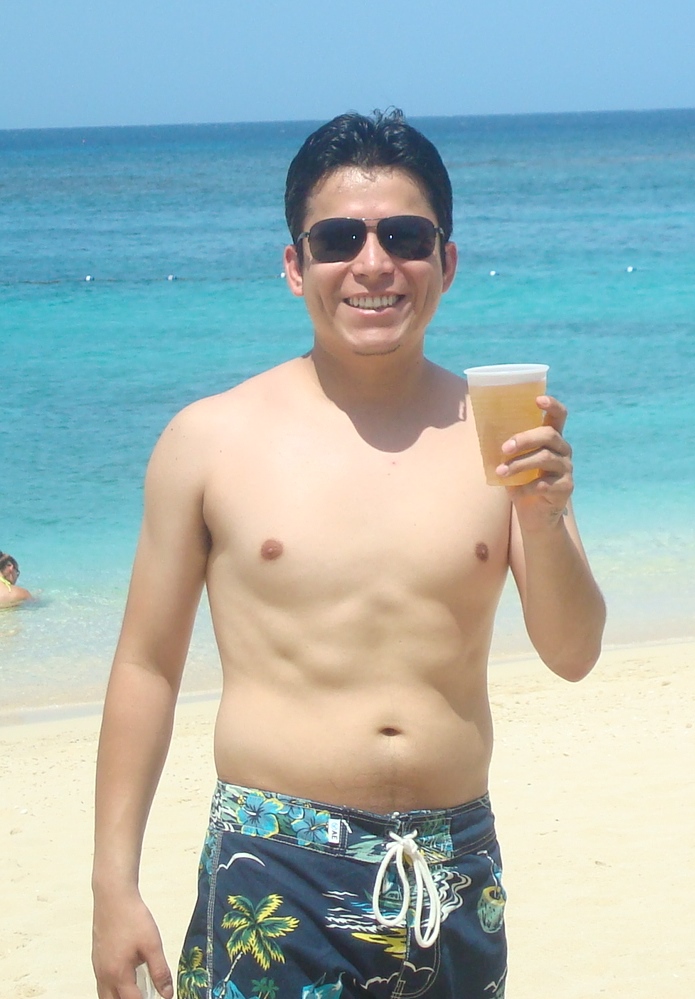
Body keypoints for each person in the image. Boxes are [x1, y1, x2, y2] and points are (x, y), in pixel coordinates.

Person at [92, 110, 605, 999]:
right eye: (338, 239)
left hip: (452, 867)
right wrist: (113, 885)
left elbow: (572, 652)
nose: (373, 264)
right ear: (296, 266)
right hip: (274, 864)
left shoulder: (498, 434)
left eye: (404, 236)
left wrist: (545, 512)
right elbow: (146, 665)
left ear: (446, 261)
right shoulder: (210, 440)